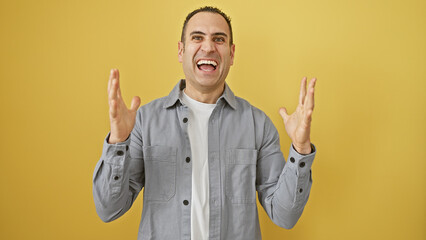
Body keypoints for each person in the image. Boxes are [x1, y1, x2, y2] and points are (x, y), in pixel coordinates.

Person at [93, 6, 317, 240]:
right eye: (197, 37)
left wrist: (301, 149)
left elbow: (284, 216)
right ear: (181, 51)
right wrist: (118, 142)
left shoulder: (258, 124)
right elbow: (109, 209)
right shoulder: (145, 122)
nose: (208, 47)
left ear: (231, 54)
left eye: (218, 39)